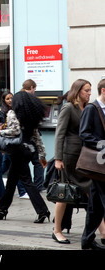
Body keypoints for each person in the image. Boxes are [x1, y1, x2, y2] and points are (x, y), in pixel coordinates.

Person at [0, 90, 50, 223]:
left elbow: (15, 130)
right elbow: (36, 136)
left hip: (18, 149)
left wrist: (1, 131)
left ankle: (42, 210)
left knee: (26, 181)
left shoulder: (12, 113)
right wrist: (42, 154)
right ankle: (2, 209)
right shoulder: (31, 115)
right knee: (12, 179)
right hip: (29, 149)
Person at [53, 79, 92, 244]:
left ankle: (102, 231)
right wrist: (58, 158)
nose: (89, 93)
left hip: (83, 157)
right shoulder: (69, 107)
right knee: (63, 194)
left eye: (90, 90)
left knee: (92, 192)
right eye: (86, 91)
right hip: (69, 157)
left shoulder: (87, 108)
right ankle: (57, 230)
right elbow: (59, 133)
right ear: (77, 91)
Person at [79, 79, 105, 250]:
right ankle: (88, 239)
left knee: (95, 205)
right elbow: (84, 134)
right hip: (98, 163)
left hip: (102, 164)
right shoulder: (91, 109)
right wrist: (102, 144)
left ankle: (87, 240)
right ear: (104, 90)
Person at [1, 89, 28, 199]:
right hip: (9, 143)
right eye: (7, 99)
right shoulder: (4, 112)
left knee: (6, 168)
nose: (10, 100)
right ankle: (22, 191)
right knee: (16, 168)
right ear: (3, 100)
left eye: (11, 98)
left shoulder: (16, 110)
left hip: (13, 143)